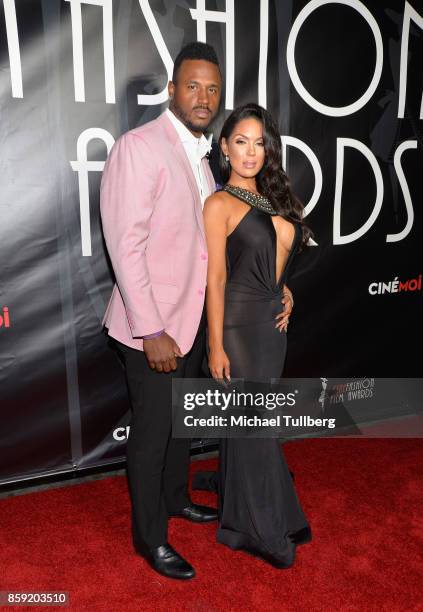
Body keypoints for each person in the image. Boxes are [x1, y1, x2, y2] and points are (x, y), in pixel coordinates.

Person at [100, 41, 293, 579]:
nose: (203, 96)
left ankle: (176, 499)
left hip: (191, 322)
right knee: (154, 431)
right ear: (171, 90)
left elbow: (220, 248)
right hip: (154, 328)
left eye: (212, 88)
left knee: (182, 428)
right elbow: (125, 245)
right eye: (193, 85)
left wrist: (278, 284)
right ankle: (150, 539)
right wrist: (151, 329)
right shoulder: (138, 147)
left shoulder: (208, 158)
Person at [203, 103, 312, 567]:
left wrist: (285, 290)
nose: (250, 152)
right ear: (225, 148)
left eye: (259, 142)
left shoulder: (272, 200)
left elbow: (271, 260)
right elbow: (217, 279)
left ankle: (240, 515)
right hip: (239, 328)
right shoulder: (219, 203)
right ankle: (264, 530)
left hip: (272, 327)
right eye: (241, 142)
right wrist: (214, 344)